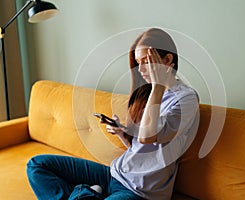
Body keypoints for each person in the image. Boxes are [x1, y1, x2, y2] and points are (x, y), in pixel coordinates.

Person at [26, 28, 200, 200]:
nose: (140, 70)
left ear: (168, 59)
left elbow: (148, 137)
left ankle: (85, 192)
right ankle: (89, 194)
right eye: (138, 63)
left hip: (140, 192)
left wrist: (158, 88)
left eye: (146, 62)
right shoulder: (147, 94)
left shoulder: (186, 99)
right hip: (114, 173)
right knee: (37, 166)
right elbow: (140, 146)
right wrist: (122, 133)